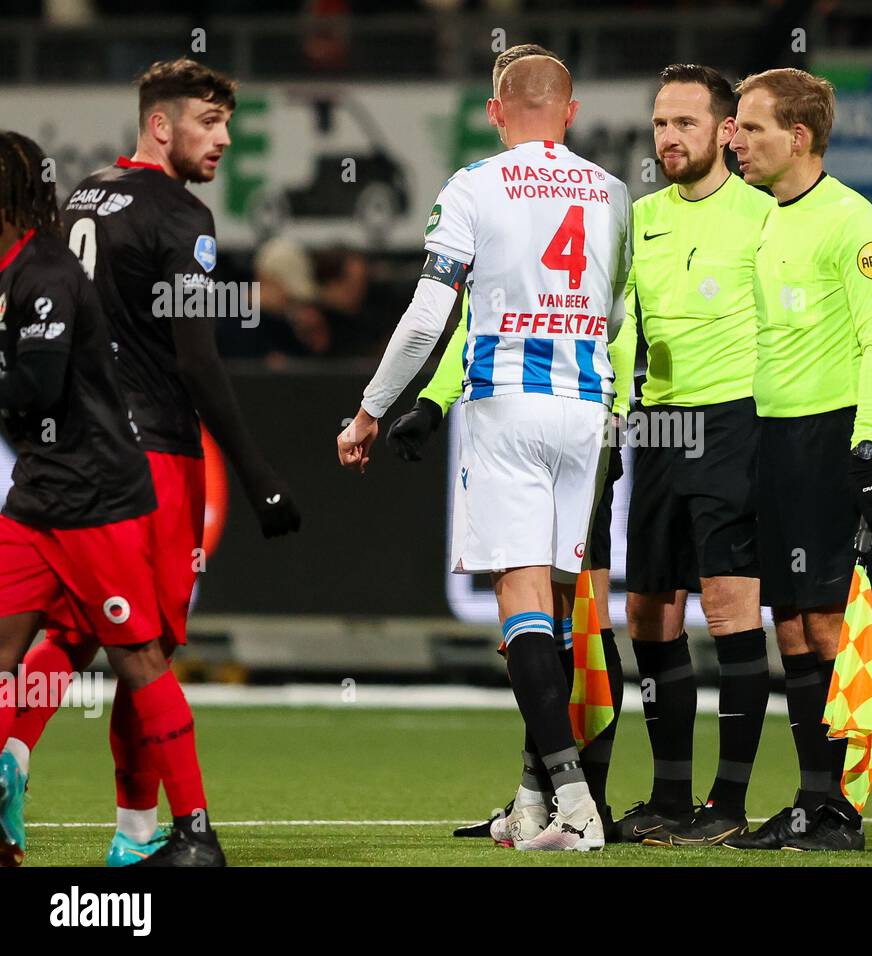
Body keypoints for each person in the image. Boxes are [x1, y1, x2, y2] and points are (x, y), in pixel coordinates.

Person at [0, 58, 301, 867]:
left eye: (228, 123)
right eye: (210, 122)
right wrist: (256, 471)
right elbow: (199, 362)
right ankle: (142, 833)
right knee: (150, 648)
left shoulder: (80, 198)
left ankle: (14, 750)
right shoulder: (184, 217)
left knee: (70, 626)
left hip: (70, 450)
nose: (225, 139)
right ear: (161, 124)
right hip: (156, 456)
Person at [338, 52, 632, 852]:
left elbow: (430, 315)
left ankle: (576, 805)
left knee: (520, 597)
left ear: (497, 112)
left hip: (507, 405)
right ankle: (534, 799)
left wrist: (371, 410)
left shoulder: (474, 185)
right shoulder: (612, 193)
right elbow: (613, 313)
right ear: (570, 113)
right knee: (562, 605)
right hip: (586, 410)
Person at [0, 131, 225, 868]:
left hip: (99, 496)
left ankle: (191, 833)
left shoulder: (47, 275)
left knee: (138, 657)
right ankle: (13, 775)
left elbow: (35, 389)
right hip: (39, 492)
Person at [725, 68, 872, 851]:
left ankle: (846, 812)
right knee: (789, 623)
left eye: (751, 128)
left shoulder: (852, 221)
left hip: (831, 440)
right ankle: (809, 800)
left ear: (798, 138)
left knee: (828, 622)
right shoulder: (763, 218)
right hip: (773, 437)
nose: (736, 139)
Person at [608, 64, 776, 847]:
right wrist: (614, 423)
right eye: (660, 123)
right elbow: (619, 325)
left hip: (736, 423)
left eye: (685, 123)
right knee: (648, 611)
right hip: (657, 426)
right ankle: (670, 795)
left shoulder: (767, 216)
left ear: (725, 132)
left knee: (731, 607)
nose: (668, 137)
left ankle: (729, 803)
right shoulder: (638, 218)